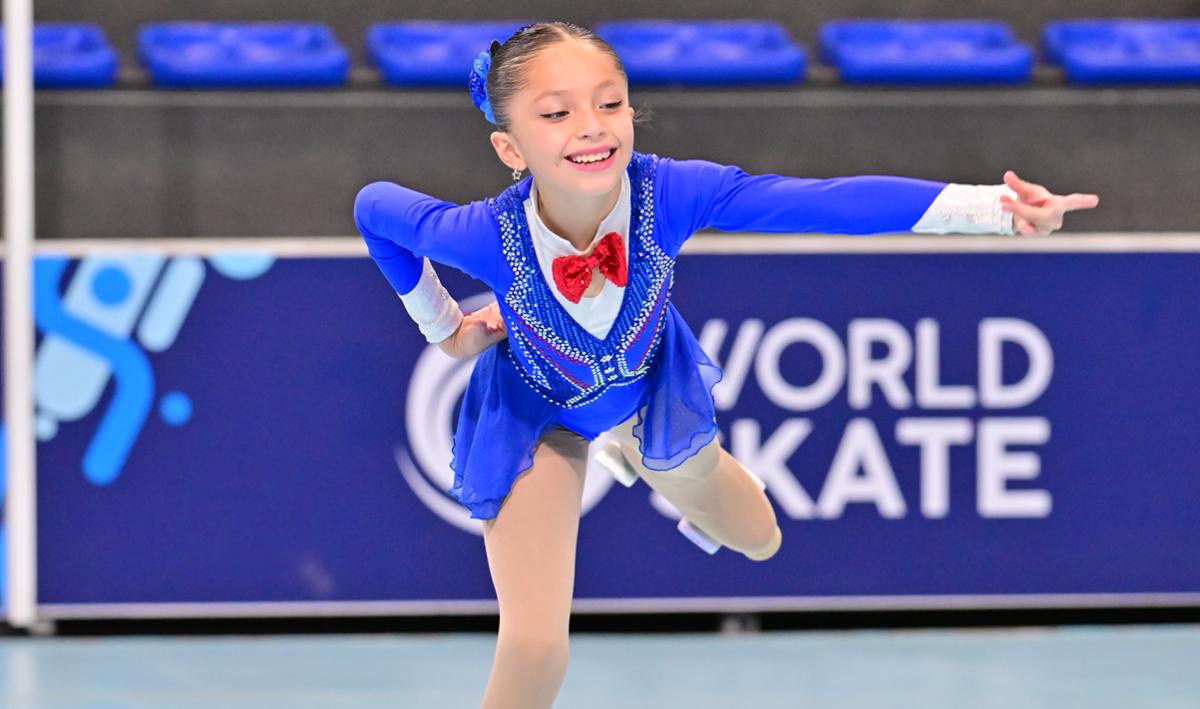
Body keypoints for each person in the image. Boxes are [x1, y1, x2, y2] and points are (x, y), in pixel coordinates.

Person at [353, 21, 1099, 709]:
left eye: (609, 103)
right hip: (533, 411)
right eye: (556, 113)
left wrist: (995, 209)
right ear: (510, 148)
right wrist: (445, 330)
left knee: (761, 538)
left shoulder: (670, 193)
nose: (591, 126)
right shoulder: (483, 233)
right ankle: (621, 450)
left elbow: (823, 203)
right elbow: (374, 208)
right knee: (535, 648)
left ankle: (639, 450)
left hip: (649, 396)